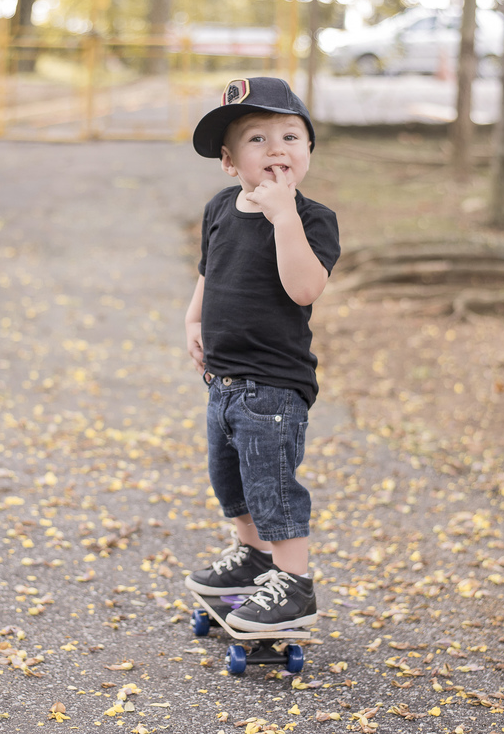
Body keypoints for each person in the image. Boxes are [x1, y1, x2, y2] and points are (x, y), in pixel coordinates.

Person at [183, 77, 340, 632]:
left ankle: (293, 582)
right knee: (232, 481)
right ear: (229, 162)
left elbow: (304, 288)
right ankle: (253, 559)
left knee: (272, 484)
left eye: (290, 136)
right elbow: (211, 268)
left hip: (273, 387)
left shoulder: (312, 219)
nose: (276, 149)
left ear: (308, 152)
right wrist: (195, 317)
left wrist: (284, 216)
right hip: (222, 382)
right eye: (257, 139)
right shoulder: (221, 208)